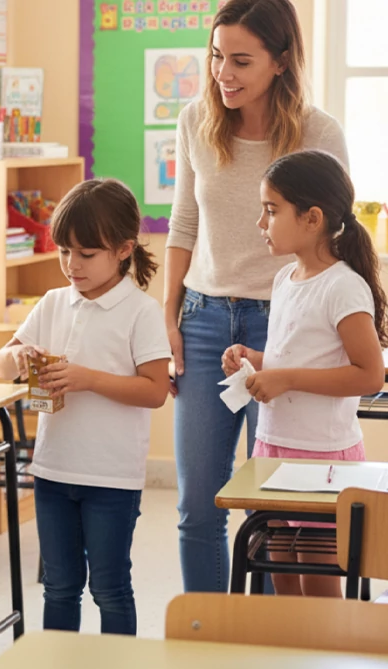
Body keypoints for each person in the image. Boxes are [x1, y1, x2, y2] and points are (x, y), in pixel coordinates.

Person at [165, 0, 349, 592]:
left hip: (285, 325)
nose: (223, 73)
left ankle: (267, 634)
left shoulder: (319, 132)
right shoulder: (195, 121)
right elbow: (183, 224)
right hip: (203, 320)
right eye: (216, 56)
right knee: (198, 505)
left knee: (270, 505)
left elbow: (334, 235)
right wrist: (168, 316)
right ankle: (207, 631)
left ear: (281, 60)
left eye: (241, 61)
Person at [0, 179, 170, 635]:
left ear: (124, 249)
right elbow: (0, 364)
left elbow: (155, 390)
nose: (72, 264)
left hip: (111, 478)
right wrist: (16, 357)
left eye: (86, 254)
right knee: (59, 587)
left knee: (109, 588)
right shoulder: (54, 302)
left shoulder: (141, 311)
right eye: (64, 251)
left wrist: (88, 379)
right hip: (53, 471)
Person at [222, 150, 386, 596]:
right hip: (274, 448)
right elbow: (298, 355)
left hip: (323, 460)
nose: (261, 222)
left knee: (319, 591)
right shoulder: (285, 280)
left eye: (271, 210)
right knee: (282, 581)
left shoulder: (343, 286)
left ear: (312, 218)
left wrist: (287, 379)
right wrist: (255, 359)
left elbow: (370, 375)